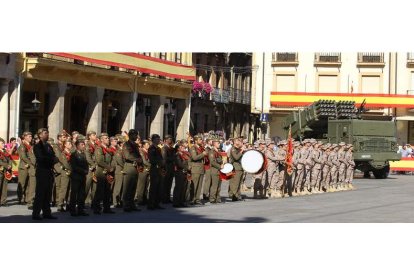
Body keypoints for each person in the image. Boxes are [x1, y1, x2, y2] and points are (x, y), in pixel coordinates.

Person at [32, 128, 58, 220]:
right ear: (40, 135)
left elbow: (55, 157)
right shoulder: (38, 146)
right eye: (45, 133)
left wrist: (52, 159)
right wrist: (51, 159)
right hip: (42, 171)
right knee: (40, 193)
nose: (47, 135)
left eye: (48, 133)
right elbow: (40, 158)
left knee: (48, 193)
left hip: (49, 171)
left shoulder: (48, 146)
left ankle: (47, 213)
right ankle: (36, 213)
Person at [92, 133, 115, 214]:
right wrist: (109, 168)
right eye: (106, 138)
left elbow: (111, 159)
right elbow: (99, 161)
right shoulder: (99, 148)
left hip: (107, 171)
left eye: (108, 138)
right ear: (101, 140)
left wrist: (111, 167)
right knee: (100, 191)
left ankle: (107, 208)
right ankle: (96, 208)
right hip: (101, 171)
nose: (108, 139)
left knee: (107, 191)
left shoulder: (108, 148)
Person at [122, 129, 142, 212]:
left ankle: (132, 204)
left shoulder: (135, 145)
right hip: (129, 168)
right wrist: (137, 159)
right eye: (134, 135)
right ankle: (126, 205)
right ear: (130, 135)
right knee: (127, 188)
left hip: (135, 168)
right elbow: (127, 156)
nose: (136, 136)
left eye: (136, 135)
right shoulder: (126, 144)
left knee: (133, 188)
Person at [69, 136, 89, 216]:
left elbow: (86, 164)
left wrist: (86, 170)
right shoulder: (74, 155)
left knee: (81, 194)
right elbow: (74, 166)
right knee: (74, 194)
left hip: (82, 176)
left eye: (84, 144)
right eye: (81, 145)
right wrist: (83, 171)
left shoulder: (83, 154)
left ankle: (80, 210)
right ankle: (72, 210)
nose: (83, 146)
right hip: (76, 176)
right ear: (77, 146)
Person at [147, 134, 165, 210]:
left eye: (159, 139)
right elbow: (152, 159)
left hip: (159, 169)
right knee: (153, 187)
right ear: (153, 140)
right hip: (154, 169)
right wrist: (160, 162)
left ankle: (157, 203)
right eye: (157, 139)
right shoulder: (151, 148)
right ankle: (151, 204)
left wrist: (162, 164)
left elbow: (160, 157)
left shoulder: (158, 148)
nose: (158, 140)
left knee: (159, 187)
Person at [189, 135, 208, 205]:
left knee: (199, 185)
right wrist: (203, 154)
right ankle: (192, 199)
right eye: (200, 140)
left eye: (201, 139)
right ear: (196, 141)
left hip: (201, 168)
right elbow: (194, 157)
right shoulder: (193, 148)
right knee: (194, 185)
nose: (201, 141)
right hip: (196, 168)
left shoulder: (201, 148)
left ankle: (197, 199)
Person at [17, 132, 34, 205]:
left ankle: (27, 199)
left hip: (29, 166)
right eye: (29, 136)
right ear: (25, 137)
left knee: (28, 183)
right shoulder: (22, 146)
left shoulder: (30, 145)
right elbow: (23, 156)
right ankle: (20, 199)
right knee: (22, 183)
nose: (31, 137)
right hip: (24, 167)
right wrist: (31, 162)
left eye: (31, 136)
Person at [173, 140, 191, 207]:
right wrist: (187, 167)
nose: (183, 148)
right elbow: (179, 164)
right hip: (179, 172)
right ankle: (176, 202)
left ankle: (181, 201)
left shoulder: (184, 155)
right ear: (178, 148)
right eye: (181, 147)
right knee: (178, 187)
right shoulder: (177, 155)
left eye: (183, 147)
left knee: (183, 188)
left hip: (184, 172)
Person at [208, 137, 223, 204]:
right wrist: (220, 166)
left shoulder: (218, 151)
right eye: (218, 143)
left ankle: (217, 198)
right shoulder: (212, 151)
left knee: (219, 185)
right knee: (214, 185)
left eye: (219, 143)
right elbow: (212, 162)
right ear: (214, 144)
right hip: (214, 170)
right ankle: (212, 198)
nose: (219, 144)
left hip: (219, 171)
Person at [135, 139, 151, 206]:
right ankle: (140, 199)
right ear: (143, 145)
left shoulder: (148, 151)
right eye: (147, 144)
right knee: (141, 186)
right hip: (143, 169)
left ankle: (144, 198)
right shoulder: (141, 151)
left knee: (146, 185)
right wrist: (151, 165)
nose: (148, 146)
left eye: (148, 144)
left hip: (148, 169)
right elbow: (144, 161)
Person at [161, 135, 175, 204]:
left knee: (169, 184)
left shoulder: (171, 148)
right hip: (167, 167)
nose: (170, 140)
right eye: (169, 139)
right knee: (165, 184)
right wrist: (173, 158)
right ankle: (164, 198)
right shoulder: (164, 148)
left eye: (171, 139)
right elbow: (164, 158)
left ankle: (167, 197)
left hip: (171, 167)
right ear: (165, 140)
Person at [112, 136, 125, 208]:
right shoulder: (118, 151)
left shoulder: (123, 151)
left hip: (123, 170)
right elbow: (120, 161)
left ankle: (120, 201)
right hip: (119, 170)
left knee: (122, 187)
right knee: (118, 187)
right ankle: (115, 202)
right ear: (120, 144)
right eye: (123, 143)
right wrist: (126, 167)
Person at [0, 138, 12, 207]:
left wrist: (10, 165)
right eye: (2, 143)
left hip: (6, 170)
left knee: (4, 186)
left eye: (3, 143)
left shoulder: (5, 151)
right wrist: (7, 165)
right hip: (1, 170)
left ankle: (3, 201)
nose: (3, 145)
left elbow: (9, 158)